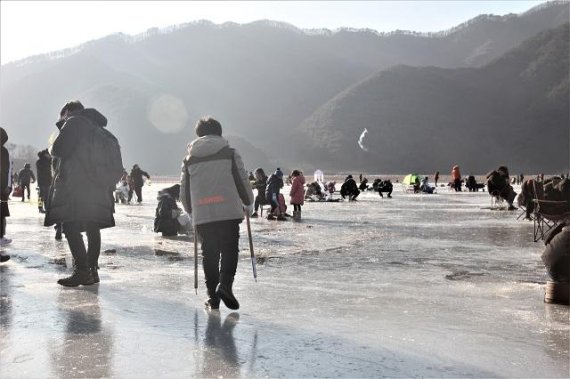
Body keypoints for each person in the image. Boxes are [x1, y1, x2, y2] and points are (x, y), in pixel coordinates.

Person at [180, 116, 254, 310]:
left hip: (203, 213)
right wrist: (248, 201)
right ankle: (226, 284)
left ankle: (213, 298)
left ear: (199, 134)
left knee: (209, 254)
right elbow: (241, 179)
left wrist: (189, 210)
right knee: (230, 249)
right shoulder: (230, 153)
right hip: (229, 211)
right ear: (219, 132)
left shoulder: (189, 159)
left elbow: (184, 190)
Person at [45, 100, 118, 286]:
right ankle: (92, 270)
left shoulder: (74, 122)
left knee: (70, 226)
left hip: (75, 187)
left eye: (62, 116)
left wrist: (53, 142)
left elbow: (59, 149)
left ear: (67, 112)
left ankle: (82, 271)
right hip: (98, 189)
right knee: (92, 227)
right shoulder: (102, 131)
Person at [1, 127, 12, 251]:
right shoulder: (3, 151)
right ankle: (0, 235)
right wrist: (5, 186)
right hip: (1, 188)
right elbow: (5, 171)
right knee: (1, 212)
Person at [36, 149, 52, 213]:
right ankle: (40, 208)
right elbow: (43, 171)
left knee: (47, 195)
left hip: (48, 180)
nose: (49, 155)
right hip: (42, 181)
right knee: (41, 195)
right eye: (48, 154)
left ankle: (46, 207)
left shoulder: (49, 161)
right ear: (45, 154)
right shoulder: (39, 161)